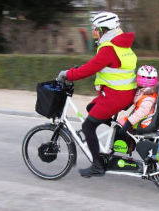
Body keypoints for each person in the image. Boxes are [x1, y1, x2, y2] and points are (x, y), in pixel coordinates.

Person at [56, 12, 137, 178]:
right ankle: (119, 135)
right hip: (125, 93)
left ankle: (97, 165)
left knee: (87, 126)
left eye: (95, 29)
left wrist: (67, 74)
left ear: (104, 29)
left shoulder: (109, 48)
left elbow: (89, 69)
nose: (94, 33)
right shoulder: (122, 44)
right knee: (91, 107)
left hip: (116, 96)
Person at [118, 65, 158, 133]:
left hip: (143, 123)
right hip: (142, 119)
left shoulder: (149, 97)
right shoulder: (144, 91)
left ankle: (121, 143)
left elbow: (141, 113)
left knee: (120, 126)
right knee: (120, 121)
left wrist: (128, 123)